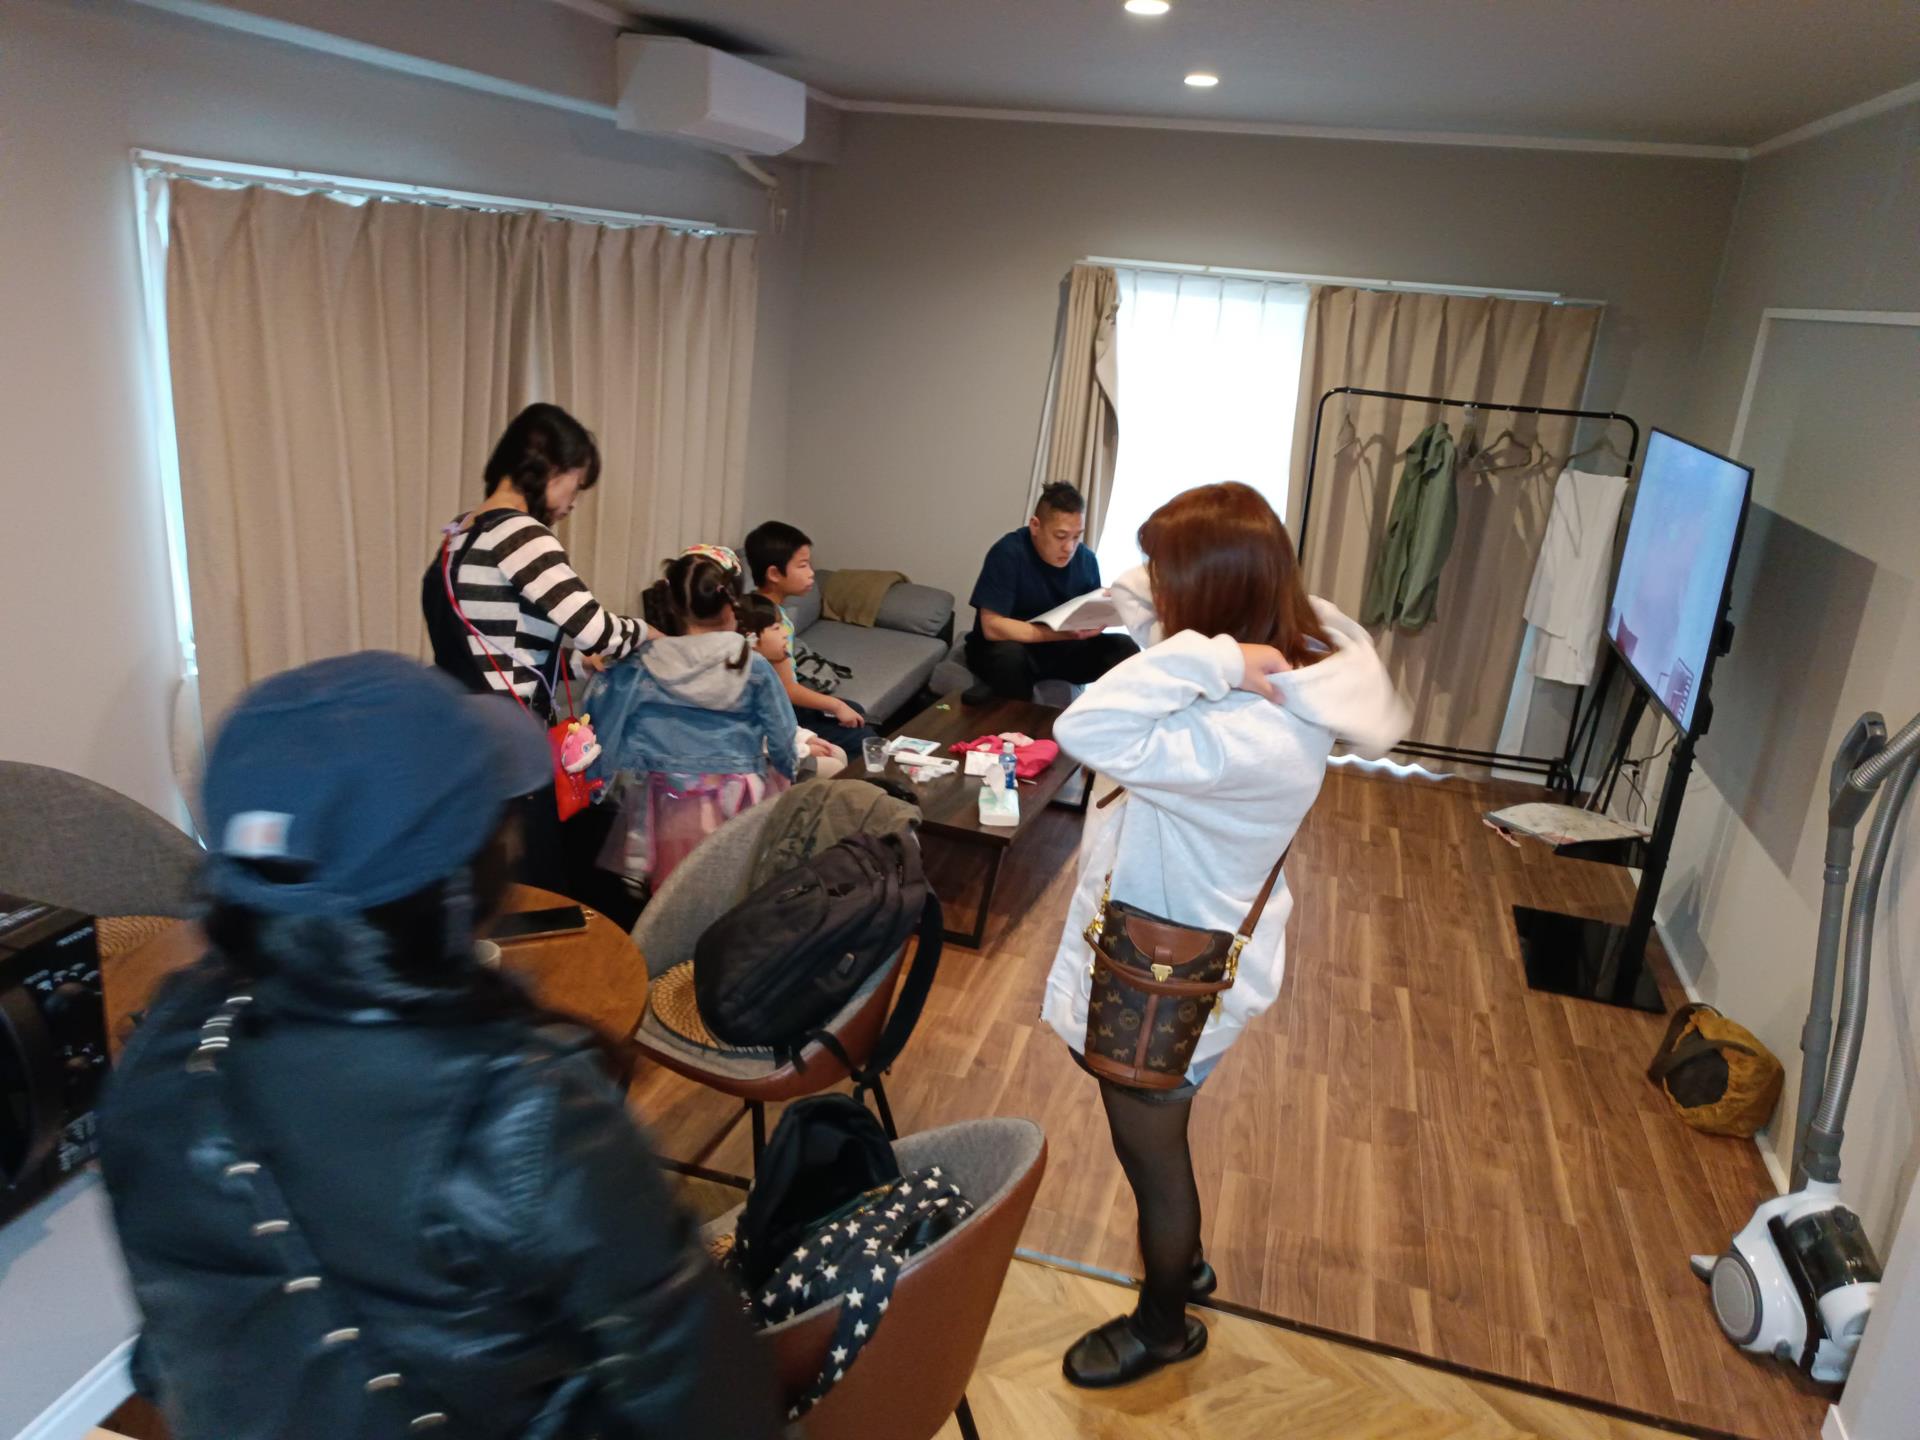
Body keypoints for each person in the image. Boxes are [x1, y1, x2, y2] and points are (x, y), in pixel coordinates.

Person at [98, 652, 781, 1440]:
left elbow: (171, 1358)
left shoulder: (157, 1053)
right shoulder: (523, 1112)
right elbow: (716, 1406)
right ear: (462, 881)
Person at [1038, 482, 1410, 1388]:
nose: (1153, 592)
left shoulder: (1245, 735)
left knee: (1152, 1155)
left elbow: (1083, 725)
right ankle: (1188, 1262)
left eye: (1169, 581)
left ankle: (1164, 1321)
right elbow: (1150, 597)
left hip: (1167, 973)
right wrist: (1216, 639)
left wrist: (1210, 657)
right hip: (1196, 943)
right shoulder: (1299, 660)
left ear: (1215, 600)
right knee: (1164, 1127)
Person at [422, 403, 648, 897]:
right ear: (549, 468)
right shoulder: (520, 532)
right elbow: (600, 631)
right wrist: (647, 631)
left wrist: (573, 666)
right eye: (576, 485)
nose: (573, 503)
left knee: (486, 886)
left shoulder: (459, 533)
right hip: (510, 747)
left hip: (460, 737)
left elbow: (493, 644)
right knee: (536, 891)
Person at [586, 552, 800, 888]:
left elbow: (606, 719)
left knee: (673, 888)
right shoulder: (751, 663)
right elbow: (782, 735)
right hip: (736, 798)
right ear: (731, 605)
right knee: (729, 885)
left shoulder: (642, 664)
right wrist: (788, 772)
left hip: (665, 799)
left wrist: (599, 781)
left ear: (674, 606)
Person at [965, 482, 1140, 702]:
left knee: (1125, 649)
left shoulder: (1086, 559)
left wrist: (1109, 607)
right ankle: (1021, 721)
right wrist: (1062, 634)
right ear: (1035, 526)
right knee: (1009, 656)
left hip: (1059, 650)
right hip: (1007, 648)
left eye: (1076, 537)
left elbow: (1087, 617)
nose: (1069, 548)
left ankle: (1105, 719)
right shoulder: (1008, 553)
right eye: (1060, 536)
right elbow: (992, 627)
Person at [744, 520, 879, 753]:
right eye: (803, 565)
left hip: (781, 703)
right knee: (861, 737)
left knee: (854, 709)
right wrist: (835, 705)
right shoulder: (767, 623)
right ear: (774, 573)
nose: (811, 573)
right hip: (777, 713)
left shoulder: (760, 608)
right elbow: (786, 689)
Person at [739, 591, 847, 778]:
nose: (785, 633)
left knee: (837, 753)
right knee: (833, 766)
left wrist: (808, 738)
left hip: (785, 749)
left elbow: (782, 723)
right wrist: (805, 749)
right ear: (752, 639)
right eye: (776, 628)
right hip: (758, 764)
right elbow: (757, 739)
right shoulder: (745, 682)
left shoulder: (766, 671)